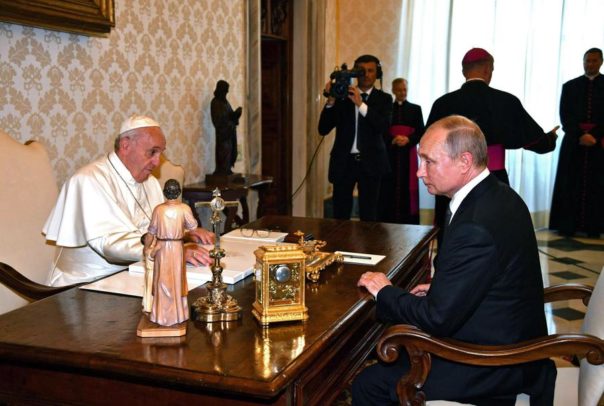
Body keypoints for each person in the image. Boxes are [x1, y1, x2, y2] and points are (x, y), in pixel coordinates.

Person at [354, 115, 555, 405]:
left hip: (495, 363)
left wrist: (384, 291)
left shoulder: (475, 224)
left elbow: (437, 319)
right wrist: (443, 288)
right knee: (394, 350)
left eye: (428, 162)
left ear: (464, 162)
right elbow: (489, 275)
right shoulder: (498, 195)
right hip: (500, 332)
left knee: (369, 383)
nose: (419, 172)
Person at [43, 115, 214, 287]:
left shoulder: (150, 181)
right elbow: (109, 243)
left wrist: (184, 233)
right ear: (125, 145)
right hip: (87, 283)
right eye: (152, 152)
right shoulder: (88, 180)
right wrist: (171, 251)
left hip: (135, 272)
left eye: (160, 153)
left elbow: (153, 229)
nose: (157, 162)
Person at [426, 48, 558, 240]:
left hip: (451, 178)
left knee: (451, 229)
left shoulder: (443, 103)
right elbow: (534, 140)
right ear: (488, 70)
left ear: (463, 71)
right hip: (491, 178)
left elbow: (428, 145)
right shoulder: (506, 101)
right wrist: (550, 138)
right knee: (494, 229)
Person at [318, 54, 392, 221]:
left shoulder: (384, 99)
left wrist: (360, 104)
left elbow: (383, 127)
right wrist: (331, 101)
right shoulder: (343, 97)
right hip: (344, 162)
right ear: (355, 73)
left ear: (377, 74)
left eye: (370, 70)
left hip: (372, 162)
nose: (366, 74)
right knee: (340, 213)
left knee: (369, 214)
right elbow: (323, 129)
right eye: (361, 70)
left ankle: (368, 240)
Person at [550, 47, 604, 238]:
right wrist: (581, 135)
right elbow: (565, 116)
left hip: (599, 143)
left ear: (601, 62)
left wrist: (595, 135)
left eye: (594, 61)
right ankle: (567, 225)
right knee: (570, 183)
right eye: (587, 61)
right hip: (574, 142)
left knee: (597, 185)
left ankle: (594, 226)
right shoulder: (570, 86)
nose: (590, 64)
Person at [146, 179, 197, 326]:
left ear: (164, 192)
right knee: (176, 280)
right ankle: (177, 315)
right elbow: (193, 227)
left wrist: (146, 248)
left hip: (162, 247)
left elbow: (150, 233)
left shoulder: (158, 209)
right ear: (179, 192)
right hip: (176, 247)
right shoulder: (184, 208)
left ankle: (161, 316)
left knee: (163, 281)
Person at [377, 78, 424, 224]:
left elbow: (421, 132)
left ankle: (408, 221)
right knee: (388, 186)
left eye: (404, 89)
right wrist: (392, 139)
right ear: (393, 90)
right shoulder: (387, 108)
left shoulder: (416, 109)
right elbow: (380, 130)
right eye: (399, 90)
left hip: (408, 155)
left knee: (407, 187)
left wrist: (408, 139)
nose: (402, 93)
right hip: (390, 154)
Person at [211, 80, 242, 176]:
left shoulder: (225, 103)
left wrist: (236, 114)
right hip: (223, 135)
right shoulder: (215, 102)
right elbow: (218, 120)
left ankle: (227, 169)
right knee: (223, 152)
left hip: (229, 134)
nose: (226, 93)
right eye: (225, 91)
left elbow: (230, 115)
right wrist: (232, 117)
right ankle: (222, 170)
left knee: (230, 152)